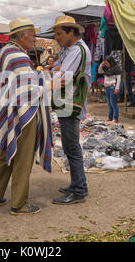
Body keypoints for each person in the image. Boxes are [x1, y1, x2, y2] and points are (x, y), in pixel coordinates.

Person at [0, 17, 53, 215]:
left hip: (5, 110)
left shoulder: (4, 52)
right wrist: (50, 85)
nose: (34, 39)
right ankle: (19, 204)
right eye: (32, 35)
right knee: (22, 156)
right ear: (21, 35)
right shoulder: (18, 55)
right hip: (22, 113)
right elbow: (27, 89)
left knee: (3, 150)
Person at [50, 15, 91, 205]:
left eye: (59, 34)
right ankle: (79, 183)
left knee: (72, 147)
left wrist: (53, 74)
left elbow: (62, 76)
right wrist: (56, 70)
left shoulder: (77, 51)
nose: (56, 38)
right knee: (69, 146)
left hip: (70, 103)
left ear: (71, 32)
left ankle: (78, 190)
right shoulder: (69, 50)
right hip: (66, 101)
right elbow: (58, 69)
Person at [98, 55, 122, 123]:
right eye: (105, 63)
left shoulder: (116, 68)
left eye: (107, 63)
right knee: (109, 103)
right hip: (107, 88)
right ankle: (110, 117)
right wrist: (101, 65)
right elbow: (99, 71)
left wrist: (117, 88)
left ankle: (116, 118)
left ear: (110, 62)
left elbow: (119, 79)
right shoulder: (105, 68)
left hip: (112, 87)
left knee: (113, 103)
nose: (106, 64)